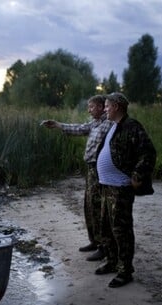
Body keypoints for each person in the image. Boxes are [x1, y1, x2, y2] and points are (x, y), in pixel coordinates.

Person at [94, 92, 156, 288]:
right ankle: (112, 262)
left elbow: (148, 152)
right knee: (106, 228)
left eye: (106, 106)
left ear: (117, 106)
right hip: (106, 186)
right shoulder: (114, 126)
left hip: (120, 188)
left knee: (121, 231)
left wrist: (138, 175)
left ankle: (125, 271)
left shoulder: (132, 126)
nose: (104, 109)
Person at [41, 95, 113, 261]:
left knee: (97, 207)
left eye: (92, 107)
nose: (89, 109)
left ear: (102, 107)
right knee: (88, 205)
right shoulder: (94, 123)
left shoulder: (109, 123)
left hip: (99, 169)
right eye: (88, 106)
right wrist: (58, 125)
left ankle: (104, 247)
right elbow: (80, 128)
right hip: (90, 170)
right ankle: (94, 241)